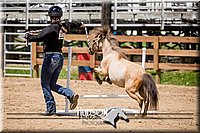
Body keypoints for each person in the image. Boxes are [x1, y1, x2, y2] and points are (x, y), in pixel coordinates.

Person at [25, 5, 84, 115]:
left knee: (44, 84)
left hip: (50, 58)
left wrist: (29, 37)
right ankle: (70, 94)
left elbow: (40, 36)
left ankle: (51, 108)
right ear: (60, 15)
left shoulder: (52, 28)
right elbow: (72, 24)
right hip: (60, 58)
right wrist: (80, 24)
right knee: (51, 84)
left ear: (50, 16)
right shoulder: (63, 26)